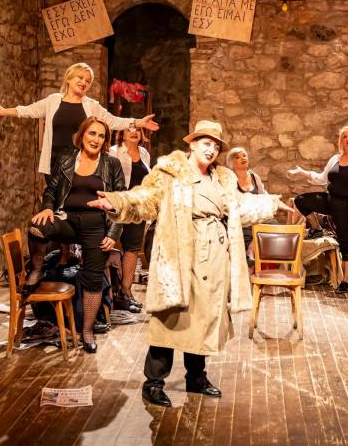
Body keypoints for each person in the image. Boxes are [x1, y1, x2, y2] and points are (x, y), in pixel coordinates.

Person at [88, 120, 287, 407]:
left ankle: (196, 377)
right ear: (192, 144)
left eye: (215, 146)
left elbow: (240, 206)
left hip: (214, 256)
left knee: (202, 318)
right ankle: (153, 383)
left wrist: (271, 203)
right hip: (180, 252)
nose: (211, 149)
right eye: (206, 143)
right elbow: (145, 198)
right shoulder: (171, 173)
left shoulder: (222, 179)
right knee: (171, 317)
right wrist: (117, 201)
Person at [26, 116, 126, 354]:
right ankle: (37, 270)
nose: (96, 139)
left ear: (105, 141)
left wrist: (113, 233)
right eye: (92, 133)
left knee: (93, 279)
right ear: (82, 135)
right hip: (67, 219)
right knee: (37, 227)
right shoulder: (66, 159)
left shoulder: (111, 164)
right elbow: (51, 190)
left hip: (96, 225)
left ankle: (87, 332)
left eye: (101, 136)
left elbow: (122, 200)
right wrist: (47, 208)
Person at [0, 62, 159, 176]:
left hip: (81, 164)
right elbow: (29, 110)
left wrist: (138, 122)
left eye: (88, 81)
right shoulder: (53, 100)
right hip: (54, 163)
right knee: (56, 207)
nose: (84, 82)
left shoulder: (91, 105)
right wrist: (4, 112)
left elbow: (112, 121)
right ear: (68, 78)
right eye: (80, 78)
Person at [288, 126, 348, 293]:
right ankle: (317, 229)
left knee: (345, 242)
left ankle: (346, 281)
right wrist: (302, 172)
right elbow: (321, 178)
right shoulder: (335, 159)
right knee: (301, 201)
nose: (347, 138)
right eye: (344, 136)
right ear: (341, 141)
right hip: (330, 200)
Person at [109, 127, 151, 309]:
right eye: (129, 129)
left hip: (137, 209)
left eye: (137, 129)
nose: (134, 132)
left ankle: (126, 292)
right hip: (118, 207)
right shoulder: (113, 151)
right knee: (108, 244)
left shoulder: (144, 153)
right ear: (121, 133)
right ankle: (109, 293)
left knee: (132, 248)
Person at [226, 147, 267, 264]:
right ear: (232, 163)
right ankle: (249, 263)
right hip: (241, 220)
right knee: (246, 235)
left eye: (244, 155)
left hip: (257, 218)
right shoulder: (229, 179)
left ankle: (252, 250)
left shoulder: (254, 177)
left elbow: (264, 198)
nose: (242, 158)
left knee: (272, 229)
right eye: (237, 157)